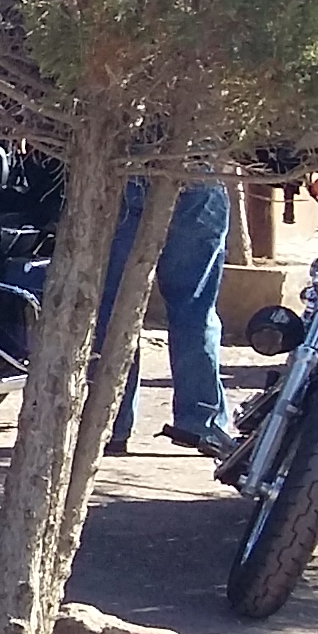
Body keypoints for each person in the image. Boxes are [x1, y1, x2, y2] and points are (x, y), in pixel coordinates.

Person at [100, 179, 238, 456]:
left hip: (127, 174)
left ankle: (108, 421)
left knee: (115, 310)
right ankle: (200, 423)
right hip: (195, 176)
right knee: (194, 309)